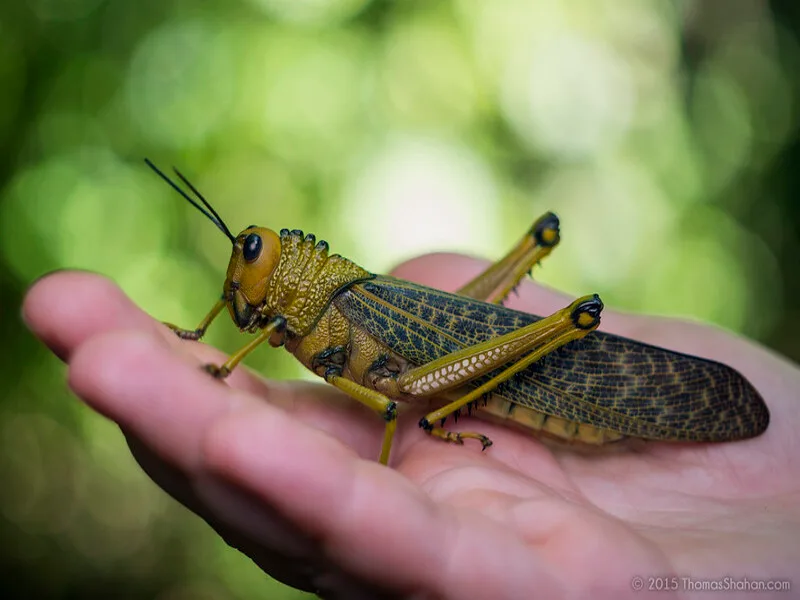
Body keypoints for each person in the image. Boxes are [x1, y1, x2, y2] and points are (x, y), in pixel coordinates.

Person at [23, 254, 800, 599]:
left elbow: (394, 402)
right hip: (436, 371)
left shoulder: (335, 308)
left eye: (251, 258)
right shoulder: (292, 314)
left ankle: (566, 332)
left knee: (415, 388)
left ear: (286, 270)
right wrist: (206, 345)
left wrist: (226, 366)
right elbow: (253, 323)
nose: (239, 279)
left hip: (457, 377)